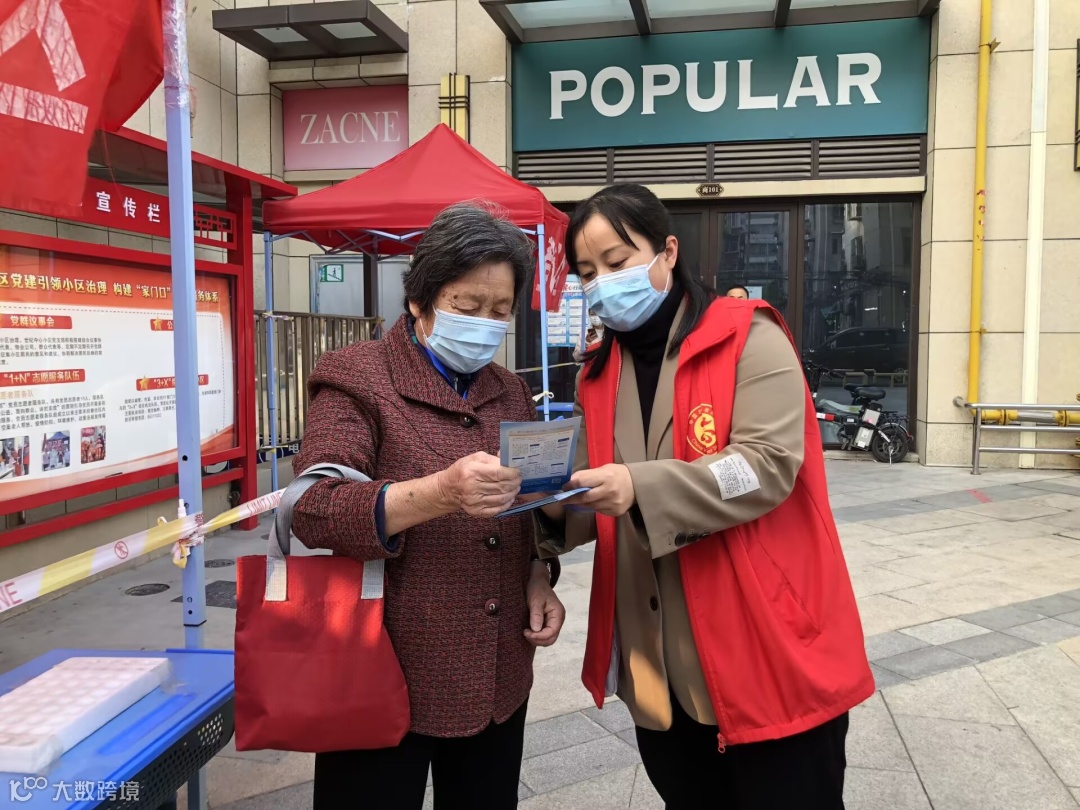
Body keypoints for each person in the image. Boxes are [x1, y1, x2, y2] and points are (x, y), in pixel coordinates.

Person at [534, 184, 873, 809]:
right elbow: (590, 491)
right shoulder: (597, 373)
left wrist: (641, 486)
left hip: (762, 642)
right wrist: (542, 505)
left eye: (617, 261)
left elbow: (767, 465)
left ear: (668, 252)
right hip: (659, 659)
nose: (603, 283)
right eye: (587, 273)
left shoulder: (748, 336)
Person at [291, 202, 567, 810]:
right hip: (382, 667)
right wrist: (440, 492)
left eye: (500, 310)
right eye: (467, 306)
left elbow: (523, 507)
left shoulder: (510, 389)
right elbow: (311, 506)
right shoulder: (358, 376)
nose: (486, 324)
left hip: (497, 672)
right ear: (420, 300)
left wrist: (537, 572)